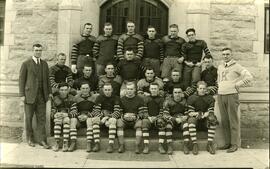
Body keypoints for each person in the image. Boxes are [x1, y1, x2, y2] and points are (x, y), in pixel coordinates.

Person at [217, 47, 253, 153]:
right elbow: (220, 80)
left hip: (232, 95)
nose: (225, 56)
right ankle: (227, 143)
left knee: (233, 120)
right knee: (224, 120)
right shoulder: (220, 66)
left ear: (231, 55)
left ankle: (234, 144)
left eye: (227, 54)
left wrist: (238, 84)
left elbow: (249, 77)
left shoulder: (237, 66)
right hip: (221, 95)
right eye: (223, 54)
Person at [19, 43, 52, 149]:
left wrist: (49, 92)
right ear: (33, 51)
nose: (38, 52)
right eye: (36, 50)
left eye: (40, 50)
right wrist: (22, 95)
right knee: (28, 118)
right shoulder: (26, 63)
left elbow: (47, 80)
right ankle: (30, 138)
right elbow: (21, 80)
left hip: (41, 96)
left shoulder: (44, 64)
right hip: (29, 96)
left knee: (41, 118)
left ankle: (42, 140)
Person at [186, 81, 219, 155]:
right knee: (191, 121)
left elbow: (210, 111)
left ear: (206, 89)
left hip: (205, 118)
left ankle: (209, 144)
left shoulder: (210, 98)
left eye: (204, 88)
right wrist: (198, 114)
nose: (202, 90)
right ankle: (195, 144)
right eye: (200, 88)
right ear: (197, 89)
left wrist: (204, 115)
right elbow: (190, 112)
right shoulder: (192, 98)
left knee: (212, 120)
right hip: (195, 117)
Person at [116, 82, 147, 153]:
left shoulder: (139, 99)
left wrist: (135, 116)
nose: (129, 90)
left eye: (131, 89)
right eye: (128, 89)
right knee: (119, 123)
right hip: (124, 119)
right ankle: (121, 145)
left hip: (135, 119)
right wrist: (124, 116)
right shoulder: (122, 99)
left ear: (134, 90)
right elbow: (119, 112)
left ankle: (137, 145)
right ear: (126, 90)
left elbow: (142, 113)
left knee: (139, 124)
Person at [70, 82, 99, 152]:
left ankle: (88, 143)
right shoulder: (76, 98)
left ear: (89, 89)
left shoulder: (94, 97)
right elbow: (73, 110)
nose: (85, 90)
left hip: (89, 118)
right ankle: (73, 142)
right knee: (73, 120)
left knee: (89, 120)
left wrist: (87, 116)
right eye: (83, 88)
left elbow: (96, 110)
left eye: (86, 88)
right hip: (79, 118)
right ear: (80, 89)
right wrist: (78, 116)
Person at [93, 83, 122, 153]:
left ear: (112, 90)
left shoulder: (116, 98)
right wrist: (102, 118)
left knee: (113, 120)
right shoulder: (99, 97)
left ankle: (111, 144)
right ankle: (96, 143)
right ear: (103, 90)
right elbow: (96, 111)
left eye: (109, 90)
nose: (107, 91)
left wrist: (107, 118)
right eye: (105, 90)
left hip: (111, 118)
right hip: (102, 118)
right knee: (95, 120)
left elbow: (117, 112)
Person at [51, 82, 77, 152]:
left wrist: (67, 114)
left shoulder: (72, 98)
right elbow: (53, 110)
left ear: (68, 90)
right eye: (62, 90)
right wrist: (55, 114)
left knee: (66, 120)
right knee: (58, 120)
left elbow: (75, 112)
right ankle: (56, 142)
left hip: (67, 117)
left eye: (65, 90)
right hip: (59, 116)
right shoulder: (55, 98)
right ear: (59, 90)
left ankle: (65, 142)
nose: (63, 92)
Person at [162, 87, 189, 155]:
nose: (177, 94)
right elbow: (165, 114)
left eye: (179, 92)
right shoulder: (168, 101)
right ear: (173, 94)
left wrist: (185, 117)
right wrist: (174, 119)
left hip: (181, 120)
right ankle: (169, 146)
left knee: (186, 125)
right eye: (175, 92)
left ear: (182, 93)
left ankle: (186, 145)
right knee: (168, 126)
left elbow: (187, 112)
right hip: (172, 119)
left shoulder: (185, 101)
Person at [141, 83, 165, 154]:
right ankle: (146, 145)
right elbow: (144, 111)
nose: (153, 90)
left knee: (161, 121)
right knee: (144, 122)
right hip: (149, 118)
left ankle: (161, 145)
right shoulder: (146, 99)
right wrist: (149, 117)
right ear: (149, 89)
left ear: (158, 90)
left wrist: (157, 117)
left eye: (155, 89)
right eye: (152, 89)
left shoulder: (161, 99)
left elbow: (162, 111)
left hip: (157, 118)